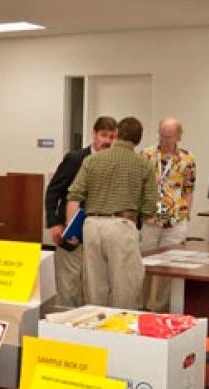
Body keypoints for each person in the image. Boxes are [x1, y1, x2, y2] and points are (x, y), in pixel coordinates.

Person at [65, 116, 156, 309]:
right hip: (121, 226)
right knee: (125, 287)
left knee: (94, 287)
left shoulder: (92, 160)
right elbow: (149, 207)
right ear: (139, 140)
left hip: (91, 226)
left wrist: (71, 230)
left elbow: (74, 194)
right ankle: (120, 333)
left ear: (116, 135)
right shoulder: (144, 165)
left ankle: (96, 332)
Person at [44, 116, 117, 307]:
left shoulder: (115, 162)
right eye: (103, 135)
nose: (107, 141)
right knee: (68, 286)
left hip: (99, 232)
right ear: (94, 134)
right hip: (70, 230)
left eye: (111, 137)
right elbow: (53, 191)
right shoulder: (75, 159)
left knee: (94, 287)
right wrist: (54, 224)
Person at [140, 118, 196, 311]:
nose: (164, 139)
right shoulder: (146, 155)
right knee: (145, 264)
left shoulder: (187, 158)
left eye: (169, 136)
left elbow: (189, 189)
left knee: (169, 267)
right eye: (162, 135)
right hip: (150, 218)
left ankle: (162, 307)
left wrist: (186, 215)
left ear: (178, 136)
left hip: (175, 219)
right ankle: (143, 305)